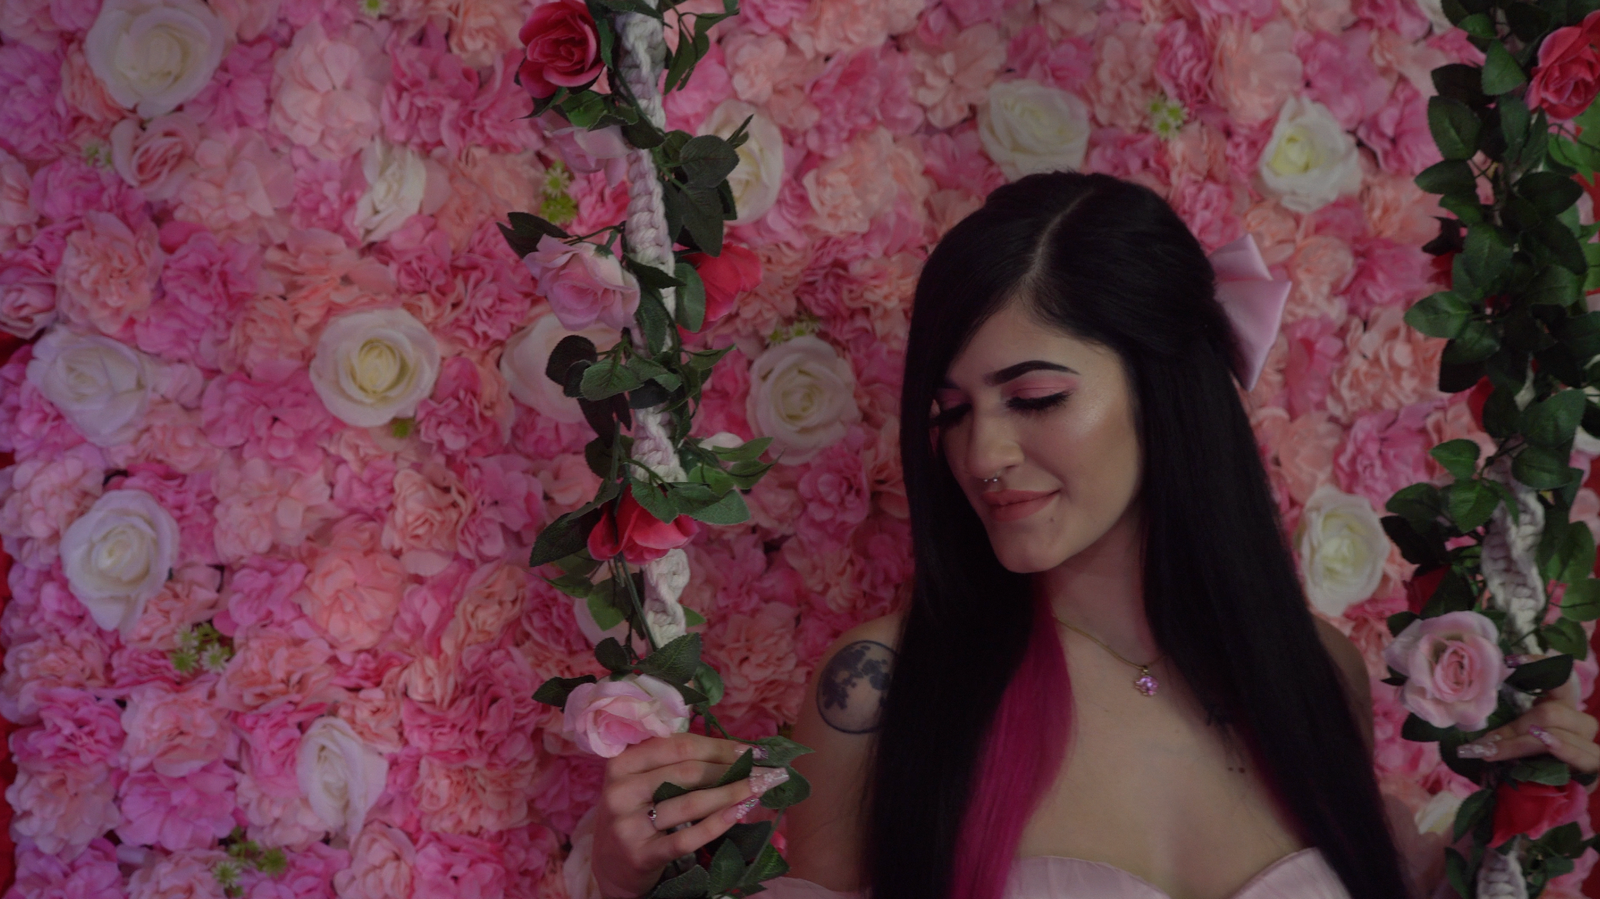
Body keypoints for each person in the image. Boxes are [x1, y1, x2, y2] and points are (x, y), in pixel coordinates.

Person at [585, 172, 1600, 899]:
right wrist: (631, 876)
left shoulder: (1311, 669)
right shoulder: (885, 687)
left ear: (1164, 391)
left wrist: (1526, 814)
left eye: (1034, 397)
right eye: (950, 412)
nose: (983, 453)